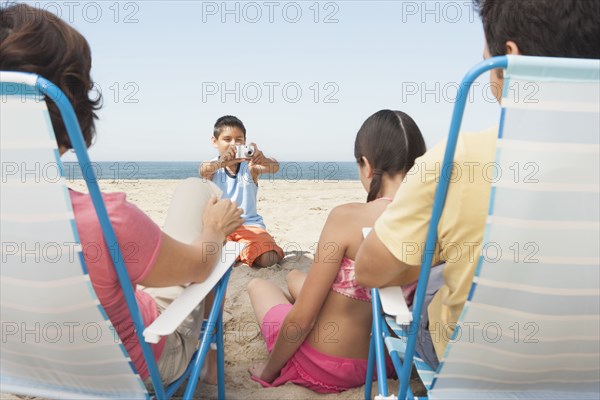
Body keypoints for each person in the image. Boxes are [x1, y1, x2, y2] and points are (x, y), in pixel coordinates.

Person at [0, 3, 244, 387]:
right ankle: (210, 361)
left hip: (24, 370)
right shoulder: (107, 220)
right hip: (138, 367)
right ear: (73, 113)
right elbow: (199, 266)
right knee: (195, 190)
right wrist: (214, 230)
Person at [354, 0, 600, 371]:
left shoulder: (460, 159)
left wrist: (442, 250)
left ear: (510, 59)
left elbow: (370, 270)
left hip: (476, 367)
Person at [247, 110, 427, 393]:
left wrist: (269, 371)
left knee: (259, 286)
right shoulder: (433, 222)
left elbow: (302, 319)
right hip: (384, 362)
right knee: (295, 275)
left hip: (324, 364)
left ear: (367, 165)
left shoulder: (347, 218)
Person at [199, 115, 284, 268]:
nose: (233, 144)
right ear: (214, 142)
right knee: (207, 254)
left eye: (238, 140)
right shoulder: (213, 165)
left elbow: (275, 167)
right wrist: (221, 162)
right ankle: (237, 252)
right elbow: (204, 170)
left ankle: (238, 252)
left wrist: (262, 159)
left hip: (249, 226)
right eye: (227, 139)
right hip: (220, 227)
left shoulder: (249, 167)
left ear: (245, 142)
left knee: (270, 258)